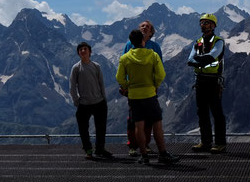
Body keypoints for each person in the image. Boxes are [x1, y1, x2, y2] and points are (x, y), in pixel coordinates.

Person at [116, 29, 180, 165]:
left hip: (134, 96)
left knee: (138, 125)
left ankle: (143, 155)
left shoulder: (125, 58)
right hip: (150, 94)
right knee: (157, 124)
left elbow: (119, 77)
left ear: (131, 42)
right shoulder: (153, 55)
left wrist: (128, 86)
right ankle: (162, 153)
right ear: (143, 41)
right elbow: (161, 74)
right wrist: (154, 84)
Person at [121, 20, 164, 156]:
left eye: (148, 27)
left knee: (143, 120)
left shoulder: (155, 47)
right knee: (135, 120)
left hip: (138, 90)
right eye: (142, 26)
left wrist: (126, 85)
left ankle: (144, 146)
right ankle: (133, 145)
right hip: (143, 89)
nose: (145, 28)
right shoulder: (130, 45)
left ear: (151, 32)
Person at [187, 13, 227, 153]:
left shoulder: (219, 41)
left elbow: (211, 57)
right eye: (202, 23)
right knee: (202, 112)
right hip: (200, 81)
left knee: (217, 112)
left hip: (214, 81)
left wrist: (198, 59)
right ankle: (206, 142)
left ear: (213, 25)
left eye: (207, 23)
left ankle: (220, 143)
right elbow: (189, 60)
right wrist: (201, 59)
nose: (204, 25)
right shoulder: (197, 42)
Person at [70, 42, 112, 159]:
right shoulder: (76, 68)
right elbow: (72, 86)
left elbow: (101, 84)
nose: (83, 51)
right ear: (78, 53)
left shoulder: (96, 66)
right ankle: (88, 150)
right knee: (83, 129)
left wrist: (104, 98)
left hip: (99, 102)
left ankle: (100, 149)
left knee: (101, 128)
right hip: (84, 104)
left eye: (85, 49)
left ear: (90, 52)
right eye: (81, 50)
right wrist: (76, 100)